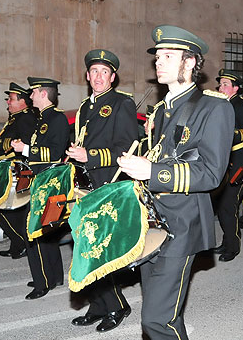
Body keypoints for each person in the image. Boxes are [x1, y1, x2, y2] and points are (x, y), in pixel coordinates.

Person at [119, 25, 234, 340]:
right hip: (150, 221)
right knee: (164, 314)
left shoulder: (215, 107)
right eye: (157, 56)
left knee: (156, 320)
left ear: (190, 63)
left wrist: (152, 173)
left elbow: (212, 173)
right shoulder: (161, 109)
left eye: (168, 56)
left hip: (181, 224)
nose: (159, 62)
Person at [66, 49, 138, 332]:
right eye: (94, 71)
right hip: (85, 185)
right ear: (87, 76)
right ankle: (97, 305)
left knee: (99, 247)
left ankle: (118, 305)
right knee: (85, 246)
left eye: (104, 72)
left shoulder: (122, 104)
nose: (98, 76)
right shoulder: (85, 107)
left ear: (113, 77)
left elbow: (126, 147)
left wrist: (90, 156)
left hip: (109, 182)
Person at [12, 77, 69, 300]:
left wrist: (25, 149)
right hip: (40, 181)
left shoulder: (57, 119)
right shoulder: (43, 118)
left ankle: (42, 282)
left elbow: (54, 153)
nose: (31, 96)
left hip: (48, 182)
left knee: (35, 232)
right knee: (45, 233)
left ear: (43, 94)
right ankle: (52, 276)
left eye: (34, 92)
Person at [213, 69, 243, 260]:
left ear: (235, 88)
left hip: (238, 163)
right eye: (220, 84)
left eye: (225, 84)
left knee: (229, 206)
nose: (220, 87)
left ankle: (233, 246)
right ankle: (226, 241)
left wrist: (229, 134)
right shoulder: (220, 104)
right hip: (222, 163)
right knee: (222, 205)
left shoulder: (242, 105)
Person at [0, 83, 37, 260]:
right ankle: (17, 244)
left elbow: (24, 142)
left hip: (16, 169)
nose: (8, 102)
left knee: (10, 210)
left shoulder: (25, 118)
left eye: (11, 99)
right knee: (7, 210)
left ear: (23, 102)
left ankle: (22, 243)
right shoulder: (16, 117)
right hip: (8, 168)